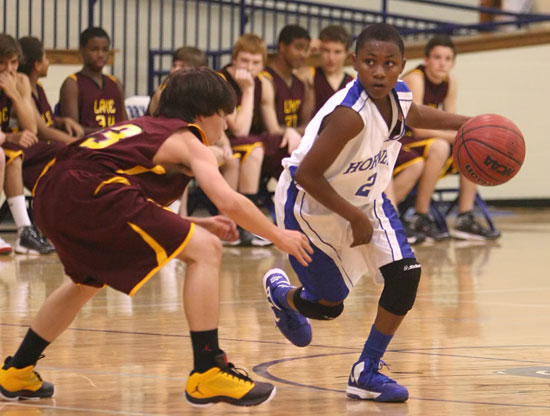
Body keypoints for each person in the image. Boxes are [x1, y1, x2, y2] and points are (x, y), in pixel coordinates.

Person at [0, 67, 312, 407]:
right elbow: (229, 200)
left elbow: (120, 189)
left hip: (52, 194)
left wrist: (195, 222)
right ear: (202, 113)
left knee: (84, 282)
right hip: (89, 192)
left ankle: (18, 369)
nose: (224, 127)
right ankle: (208, 370)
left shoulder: (142, 128)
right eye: (223, 116)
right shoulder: (188, 140)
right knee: (206, 251)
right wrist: (279, 235)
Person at [263, 23, 471, 403]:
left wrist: (467, 123)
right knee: (329, 307)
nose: (379, 71)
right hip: (310, 205)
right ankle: (283, 295)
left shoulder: (398, 95)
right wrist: (353, 216)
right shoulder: (349, 115)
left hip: (366, 199)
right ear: (355, 62)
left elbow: (416, 113)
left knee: (405, 276)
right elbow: (307, 175)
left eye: (389, 63)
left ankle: (366, 371)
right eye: (370, 62)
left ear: (402, 66)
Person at [390, 35, 500, 241]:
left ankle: (464, 218)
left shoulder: (450, 82)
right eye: (437, 57)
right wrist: (458, 136)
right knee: (441, 146)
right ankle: (420, 215)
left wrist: (465, 138)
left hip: (424, 142)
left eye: (447, 59)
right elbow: (417, 128)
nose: (442, 63)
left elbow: (450, 119)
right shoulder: (416, 78)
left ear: (453, 63)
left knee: (469, 150)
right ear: (426, 59)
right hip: (401, 139)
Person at [0, 33, 54, 255]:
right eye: (2, 63)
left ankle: (25, 231)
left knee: (13, 156)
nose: (9, 69)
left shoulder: (20, 81)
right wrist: (10, 137)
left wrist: (14, 95)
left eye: (13, 63)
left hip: (5, 144)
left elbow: (31, 129)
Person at [218, 33, 272, 246]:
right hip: (219, 139)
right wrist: (248, 90)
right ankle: (238, 223)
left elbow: (271, 125)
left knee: (256, 148)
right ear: (234, 59)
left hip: (247, 141)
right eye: (244, 61)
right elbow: (239, 129)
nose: (249, 67)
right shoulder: (221, 81)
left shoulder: (264, 82)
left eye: (255, 62)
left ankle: (243, 224)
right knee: (249, 151)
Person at [15, 36, 84, 190]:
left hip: (45, 148)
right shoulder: (24, 90)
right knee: (73, 154)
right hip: (35, 152)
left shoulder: (38, 87)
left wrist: (62, 120)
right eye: (46, 57)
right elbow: (43, 131)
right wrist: (75, 143)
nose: (49, 62)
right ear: (37, 65)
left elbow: (47, 119)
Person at [258, 24, 313, 182]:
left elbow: (307, 123)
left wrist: (310, 89)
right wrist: (291, 132)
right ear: (282, 47)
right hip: (272, 143)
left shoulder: (300, 82)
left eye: (306, 49)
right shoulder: (266, 79)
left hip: (294, 141)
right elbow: (272, 129)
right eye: (298, 48)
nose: (303, 54)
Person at [59, 27, 128, 134]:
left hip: (116, 146)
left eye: (105, 50)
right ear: (81, 50)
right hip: (88, 147)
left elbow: (125, 123)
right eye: (94, 49)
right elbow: (73, 130)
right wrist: (107, 132)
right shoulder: (72, 83)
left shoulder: (115, 83)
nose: (100, 55)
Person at [296, 24, 354, 115]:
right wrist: (308, 49)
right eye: (326, 51)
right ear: (319, 50)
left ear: (346, 53)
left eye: (337, 52)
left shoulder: (352, 82)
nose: (331, 57)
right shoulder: (310, 74)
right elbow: (289, 78)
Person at [146, 46, 208, 116]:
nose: (175, 70)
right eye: (174, 65)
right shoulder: (162, 91)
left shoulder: (206, 94)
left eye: (183, 66)